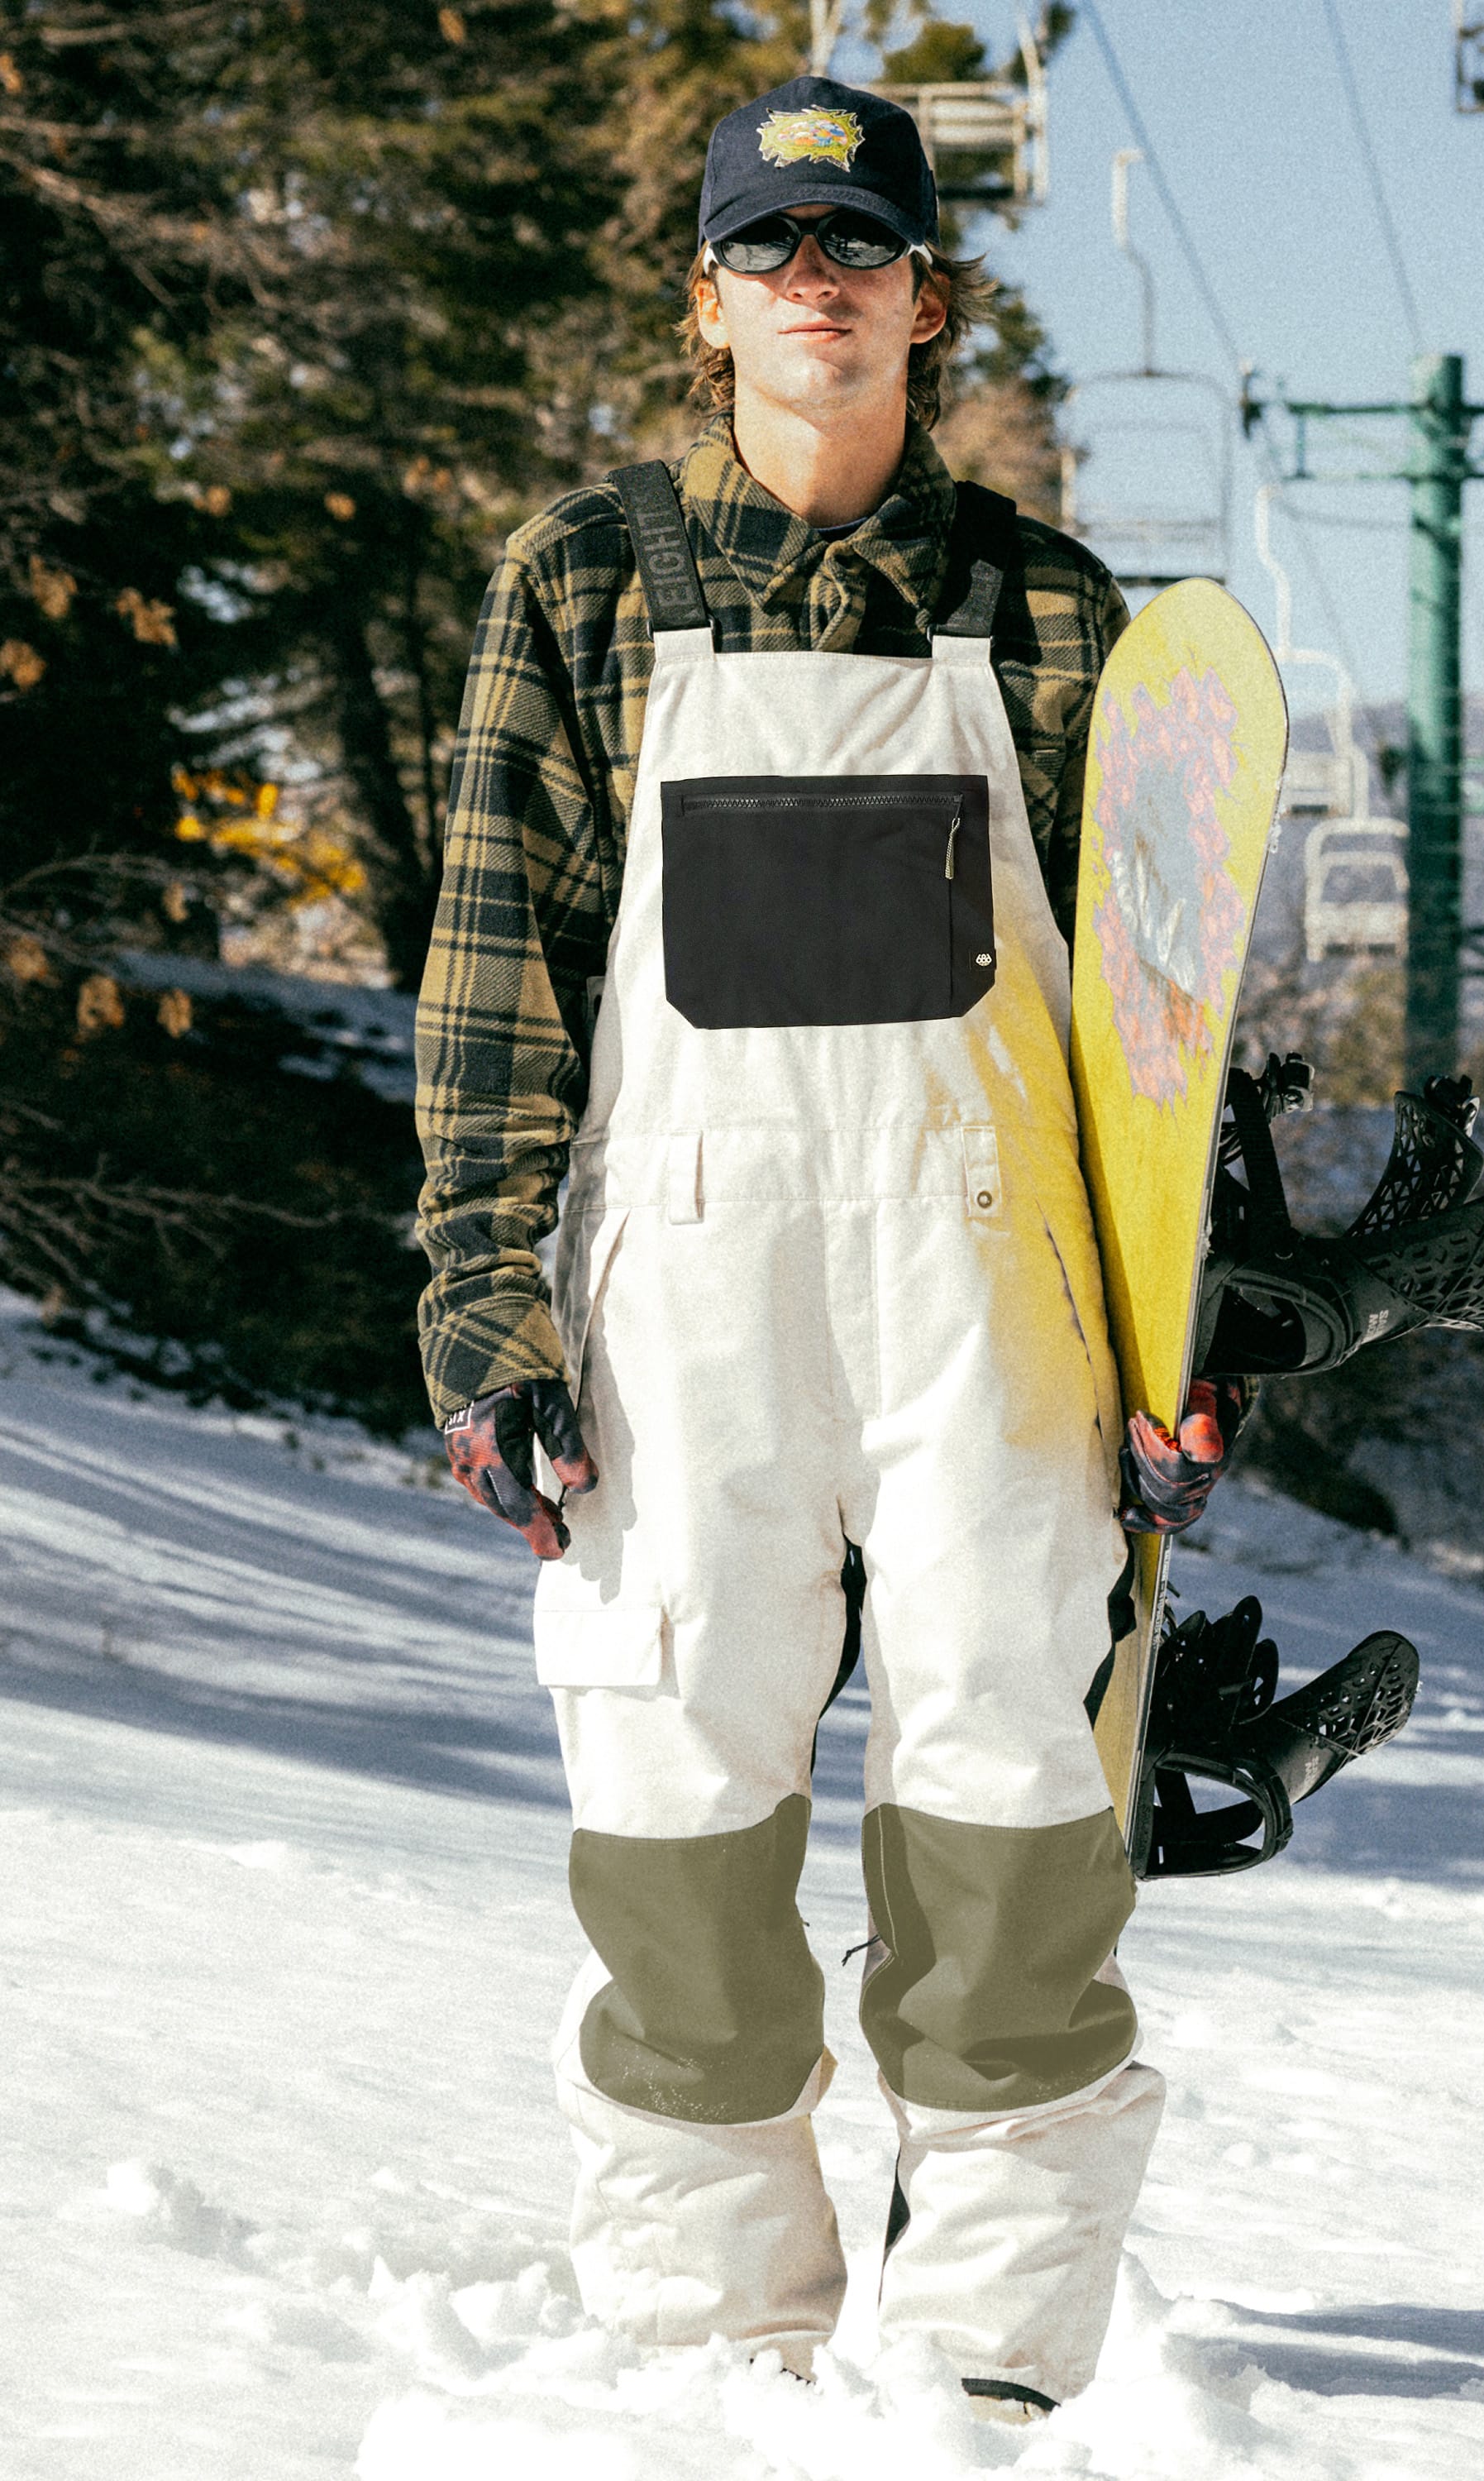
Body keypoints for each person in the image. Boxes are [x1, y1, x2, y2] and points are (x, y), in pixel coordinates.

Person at [416, 74, 1234, 2423]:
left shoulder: (1054, 618)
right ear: (708, 300)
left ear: (922, 295)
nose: (818, 285)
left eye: (858, 249)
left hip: (1006, 1312)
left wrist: (1194, 1351)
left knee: (1012, 1836)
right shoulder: (587, 588)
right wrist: (487, 1324)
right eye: (772, 247)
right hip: (675, 1313)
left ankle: (986, 2390)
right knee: (677, 1840)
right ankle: (713, 2388)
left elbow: (1166, 1061)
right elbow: (496, 1000)